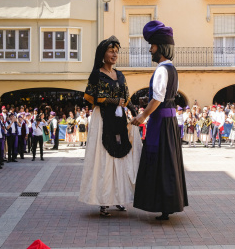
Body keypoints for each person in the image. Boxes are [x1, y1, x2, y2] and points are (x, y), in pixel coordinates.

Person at [79, 35, 141, 217]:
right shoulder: (96, 74)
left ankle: (119, 198)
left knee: (120, 159)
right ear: (102, 54)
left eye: (116, 52)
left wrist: (135, 112)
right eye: (111, 51)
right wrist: (115, 100)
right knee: (104, 159)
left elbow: (127, 97)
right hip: (103, 119)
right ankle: (103, 201)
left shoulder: (120, 75)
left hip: (120, 119)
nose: (114, 54)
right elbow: (93, 97)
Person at [131, 21, 188, 220]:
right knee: (168, 162)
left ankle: (163, 204)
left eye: (152, 47)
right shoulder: (173, 70)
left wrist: (143, 115)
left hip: (160, 125)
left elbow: (158, 98)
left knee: (159, 162)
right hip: (169, 124)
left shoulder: (161, 71)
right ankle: (167, 205)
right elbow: (168, 98)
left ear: (161, 48)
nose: (150, 50)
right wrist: (148, 102)